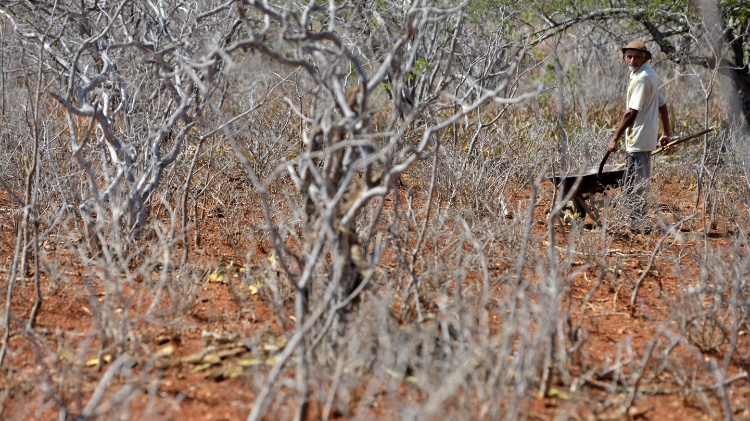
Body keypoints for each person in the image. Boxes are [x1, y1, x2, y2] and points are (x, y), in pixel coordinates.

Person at [609, 41, 671, 231]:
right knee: (631, 180)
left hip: (639, 137)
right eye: (629, 56)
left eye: (636, 56)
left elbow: (630, 113)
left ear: (646, 57)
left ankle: (637, 223)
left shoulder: (643, 78)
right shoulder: (644, 75)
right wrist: (666, 132)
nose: (632, 59)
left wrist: (615, 137)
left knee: (636, 182)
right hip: (641, 137)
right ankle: (634, 219)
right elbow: (662, 104)